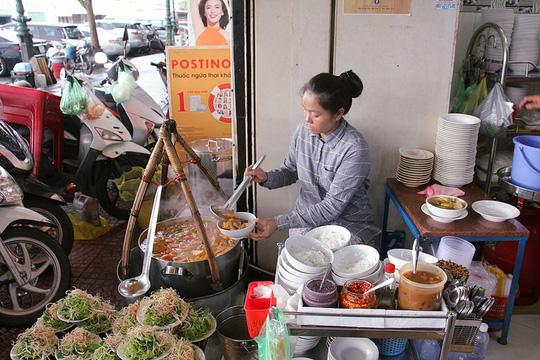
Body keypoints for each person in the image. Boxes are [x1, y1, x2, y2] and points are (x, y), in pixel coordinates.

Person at [247, 70, 379, 246]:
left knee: (328, 263)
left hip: (347, 223)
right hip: (306, 216)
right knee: (297, 261)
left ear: (339, 113)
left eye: (315, 114)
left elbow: (331, 207)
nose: (307, 119)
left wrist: (278, 222)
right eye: (305, 110)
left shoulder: (354, 148)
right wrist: (266, 177)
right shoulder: (303, 131)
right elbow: (291, 170)